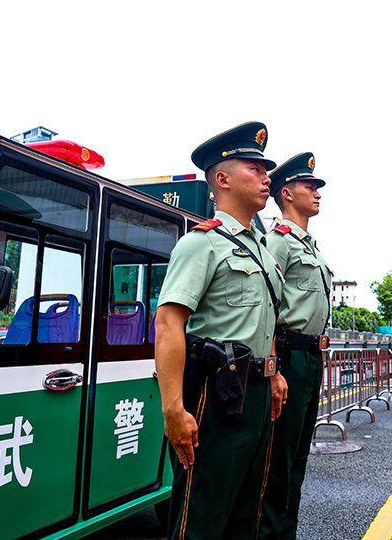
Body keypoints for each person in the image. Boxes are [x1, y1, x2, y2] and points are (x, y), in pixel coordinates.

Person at [154, 121, 288, 540]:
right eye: (255, 168)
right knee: (203, 518)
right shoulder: (202, 243)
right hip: (218, 396)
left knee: (246, 516)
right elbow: (168, 323)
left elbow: (262, 319)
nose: (267, 178)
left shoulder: (261, 250)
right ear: (223, 179)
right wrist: (174, 409)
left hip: (258, 394)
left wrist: (275, 370)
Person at [260, 152, 332, 540]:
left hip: (311, 358)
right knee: (278, 463)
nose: (317, 193)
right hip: (289, 356)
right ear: (287, 193)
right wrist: (274, 367)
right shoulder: (279, 242)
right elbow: (267, 306)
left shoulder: (311, 245)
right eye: (310, 187)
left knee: (297, 461)